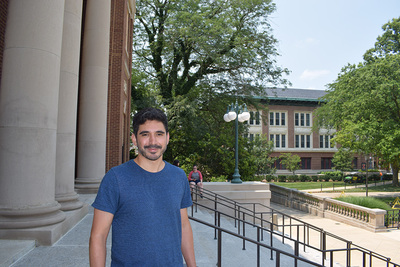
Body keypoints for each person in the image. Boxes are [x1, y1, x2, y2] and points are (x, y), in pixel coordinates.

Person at [89, 107, 196, 267]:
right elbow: (98, 236)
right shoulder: (116, 178)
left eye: (159, 134)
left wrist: (192, 265)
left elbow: (183, 225)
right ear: (134, 139)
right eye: (145, 134)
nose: (153, 142)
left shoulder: (179, 176)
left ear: (167, 138)